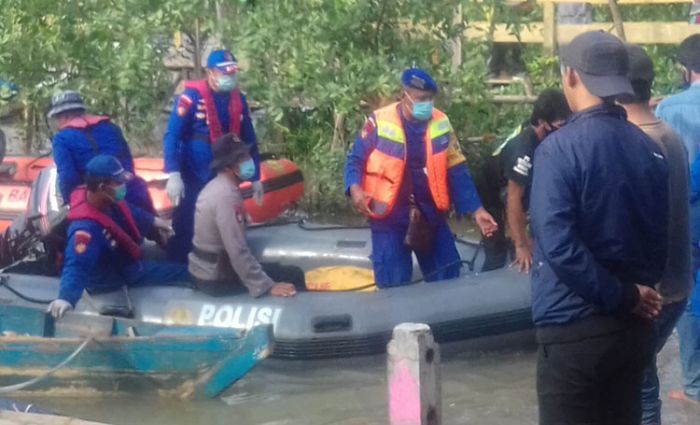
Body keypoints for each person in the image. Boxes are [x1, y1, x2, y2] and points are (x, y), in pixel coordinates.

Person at [530, 32, 669, 425]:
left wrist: (621, 295)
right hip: (634, 332)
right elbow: (660, 239)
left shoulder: (558, 149)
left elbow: (558, 246)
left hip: (575, 332)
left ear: (571, 76)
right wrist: (639, 295)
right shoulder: (650, 148)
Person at [344, 68, 498, 288]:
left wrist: (477, 209)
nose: (426, 104)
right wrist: (355, 189)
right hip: (389, 217)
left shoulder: (441, 122)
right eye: (420, 99)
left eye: (430, 99)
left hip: (430, 215)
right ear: (403, 95)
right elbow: (355, 160)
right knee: (393, 284)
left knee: (449, 276)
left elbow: (456, 168)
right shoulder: (379, 121)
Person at [618, 44, 693, 424]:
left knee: (639, 384)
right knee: (639, 377)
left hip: (650, 289)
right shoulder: (668, 133)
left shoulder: (634, 140)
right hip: (677, 282)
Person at [47, 155, 188, 319]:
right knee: (184, 272)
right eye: (118, 182)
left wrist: (154, 221)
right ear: (102, 187)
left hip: (126, 258)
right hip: (118, 273)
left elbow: (130, 212)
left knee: (172, 253)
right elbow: (77, 265)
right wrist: (66, 298)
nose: (123, 186)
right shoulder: (85, 230)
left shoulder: (107, 201)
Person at [163, 49, 263, 263]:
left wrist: (255, 176)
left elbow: (249, 138)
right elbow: (173, 136)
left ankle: (225, 262)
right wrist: (173, 173)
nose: (230, 78)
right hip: (194, 174)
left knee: (226, 217)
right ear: (210, 73)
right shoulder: (190, 99)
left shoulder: (239, 100)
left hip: (225, 173)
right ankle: (178, 265)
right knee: (187, 221)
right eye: (224, 73)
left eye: (233, 73)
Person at [188, 134, 298, 298]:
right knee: (292, 274)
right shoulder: (226, 196)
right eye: (242, 158)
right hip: (215, 278)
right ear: (227, 167)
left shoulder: (219, 187)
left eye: (247, 155)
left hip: (207, 269)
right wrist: (266, 286)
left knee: (281, 270)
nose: (249, 160)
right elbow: (237, 250)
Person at [476, 89, 571, 272]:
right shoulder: (524, 150)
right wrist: (521, 245)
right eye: (561, 125)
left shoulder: (538, 131)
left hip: (511, 180)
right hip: (489, 190)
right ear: (543, 123)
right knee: (496, 252)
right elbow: (513, 199)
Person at [655, 34, 700, 405]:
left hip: (687, 213)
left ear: (685, 70)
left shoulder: (670, 108)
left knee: (689, 292)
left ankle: (694, 384)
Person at [48, 90, 153, 212]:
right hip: (130, 191)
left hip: (98, 201)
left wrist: (72, 206)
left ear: (64, 116)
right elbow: (128, 163)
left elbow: (68, 178)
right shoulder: (112, 128)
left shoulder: (61, 139)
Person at [487, 1, 531, 79]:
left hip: (518, 14)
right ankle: (495, 70)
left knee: (517, 41)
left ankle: (517, 69)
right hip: (503, 13)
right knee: (500, 39)